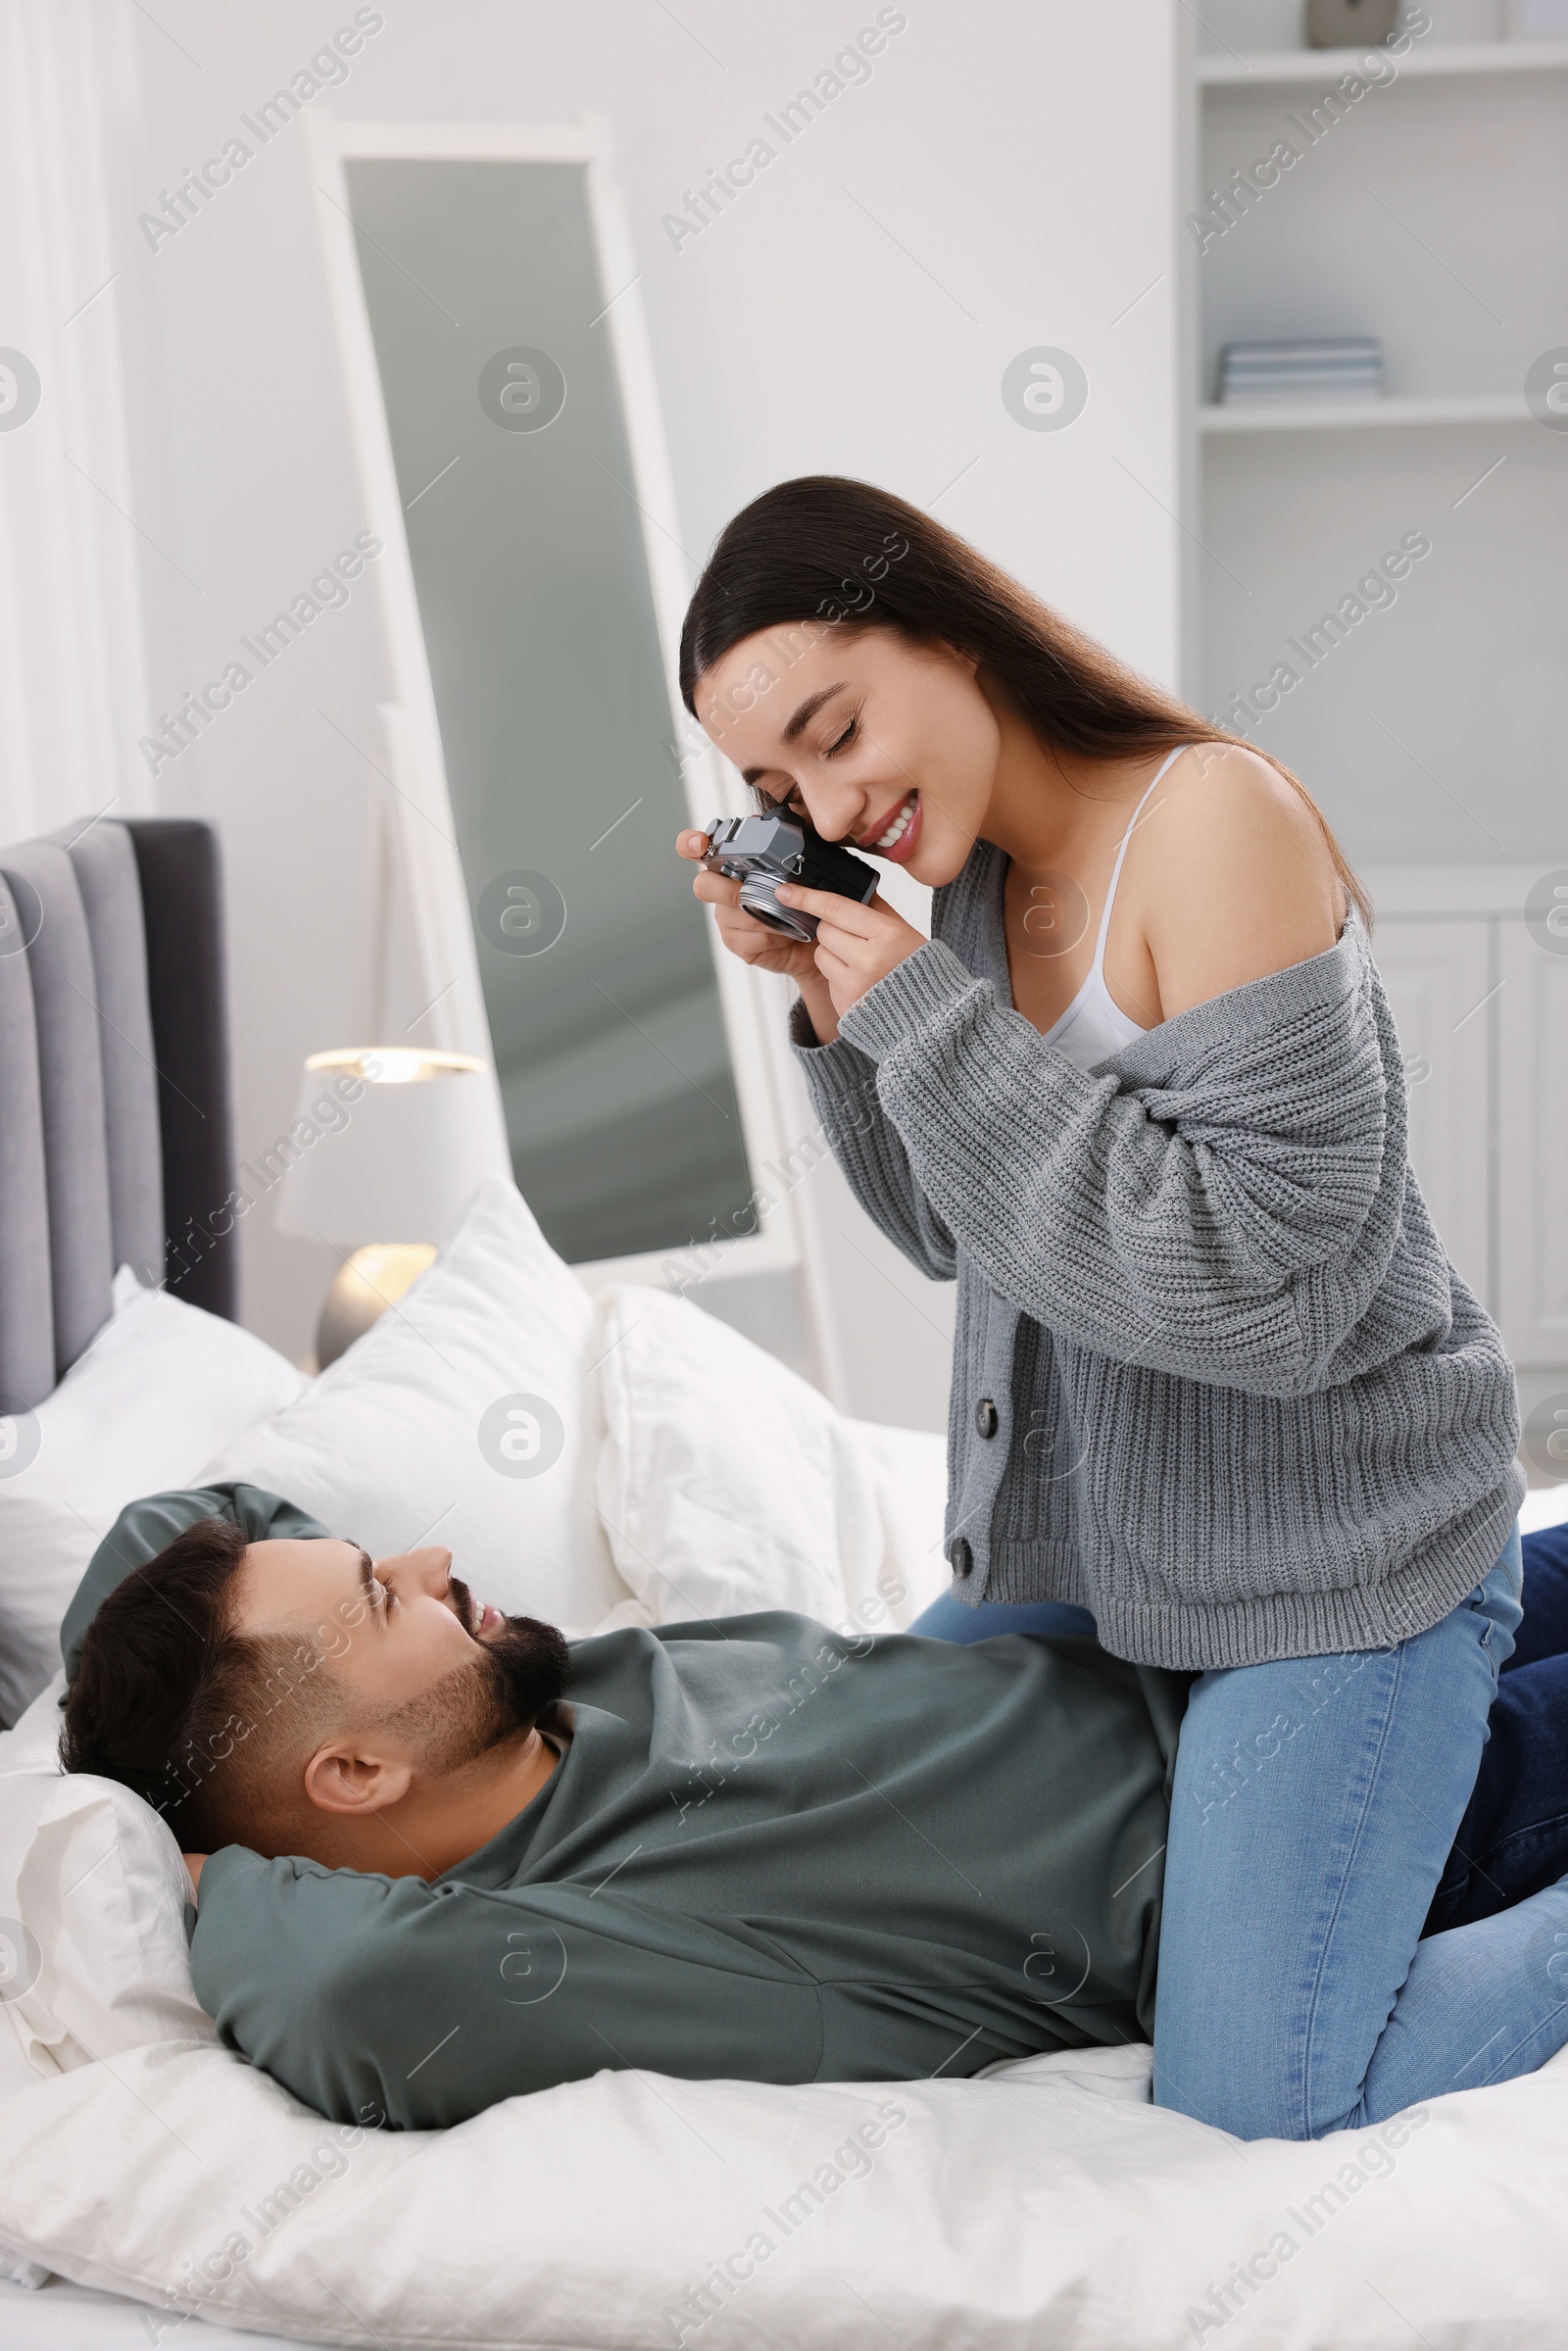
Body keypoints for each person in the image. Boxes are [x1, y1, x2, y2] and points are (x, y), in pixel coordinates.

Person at [673, 475, 1526, 2141]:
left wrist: (920, 1016)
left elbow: (1268, 1294)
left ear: (950, 633)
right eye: (781, 788)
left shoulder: (1208, 821)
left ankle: (1481, 1621)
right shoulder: (979, 878)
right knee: (849, 1809)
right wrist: (837, 1012)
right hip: (1113, 1565)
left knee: (1250, 2098)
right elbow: (957, 1229)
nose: (837, 801)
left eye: (841, 732)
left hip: (1334, 1561)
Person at [57, 1485, 1568, 2135]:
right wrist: (167, 1868)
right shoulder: (534, 1946)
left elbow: (179, 1525)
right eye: (388, 1594)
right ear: (354, 1779)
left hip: (1173, 1647)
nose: (440, 1556)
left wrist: (145, 1739)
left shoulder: (531, 1693)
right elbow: (338, 1981)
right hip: (1330, 1830)